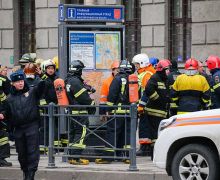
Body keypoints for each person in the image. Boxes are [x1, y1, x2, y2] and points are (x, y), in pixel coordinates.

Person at [0, 70, 45, 180]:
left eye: (22, 81)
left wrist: (41, 75)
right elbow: (6, 112)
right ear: (13, 84)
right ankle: (25, 173)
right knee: (22, 154)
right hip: (18, 129)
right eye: (18, 82)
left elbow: (42, 86)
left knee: (32, 152)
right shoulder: (9, 99)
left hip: (32, 126)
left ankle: (30, 175)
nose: (20, 83)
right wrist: (2, 114)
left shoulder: (32, 92)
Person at [96, 60, 134, 164]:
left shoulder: (117, 79)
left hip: (117, 112)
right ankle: (127, 156)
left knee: (112, 133)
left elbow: (111, 96)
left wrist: (108, 110)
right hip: (130, 112)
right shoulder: (134, 79)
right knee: (127, 134)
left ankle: (108, 157)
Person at [65, 60, 96, 165]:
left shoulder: (69, 80)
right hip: (80, 112)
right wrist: (92, 105)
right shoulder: (75, 81)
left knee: (74, 134)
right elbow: (83, 98)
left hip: (73, 112)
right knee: (82, 133)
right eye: (81, 69)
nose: (82, 72)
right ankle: (75, 157)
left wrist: (85, 88)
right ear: (78, 70)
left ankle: (71, 156)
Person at [140, 59, 171, 154]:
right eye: (167, 69)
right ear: (161, 70)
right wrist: (157, 99)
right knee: (155, 134)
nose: (168, 71)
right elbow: (148, 89)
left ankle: (156, 152)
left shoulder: (164, 79)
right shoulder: (155, 77)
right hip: (154, 111)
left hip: (161, 112)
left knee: (158, 134)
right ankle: (154, 153)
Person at [132, 53, 156, 156]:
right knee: (146, 126)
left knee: (144, 126)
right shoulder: (145, 73)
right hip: (145, 104)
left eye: (137, 64)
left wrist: (141, 105)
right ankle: (146, 148)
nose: (135, 66)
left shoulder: (146, 74)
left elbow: (146, 92)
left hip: (145, 105)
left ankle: (145, 148)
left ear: (142, 64)